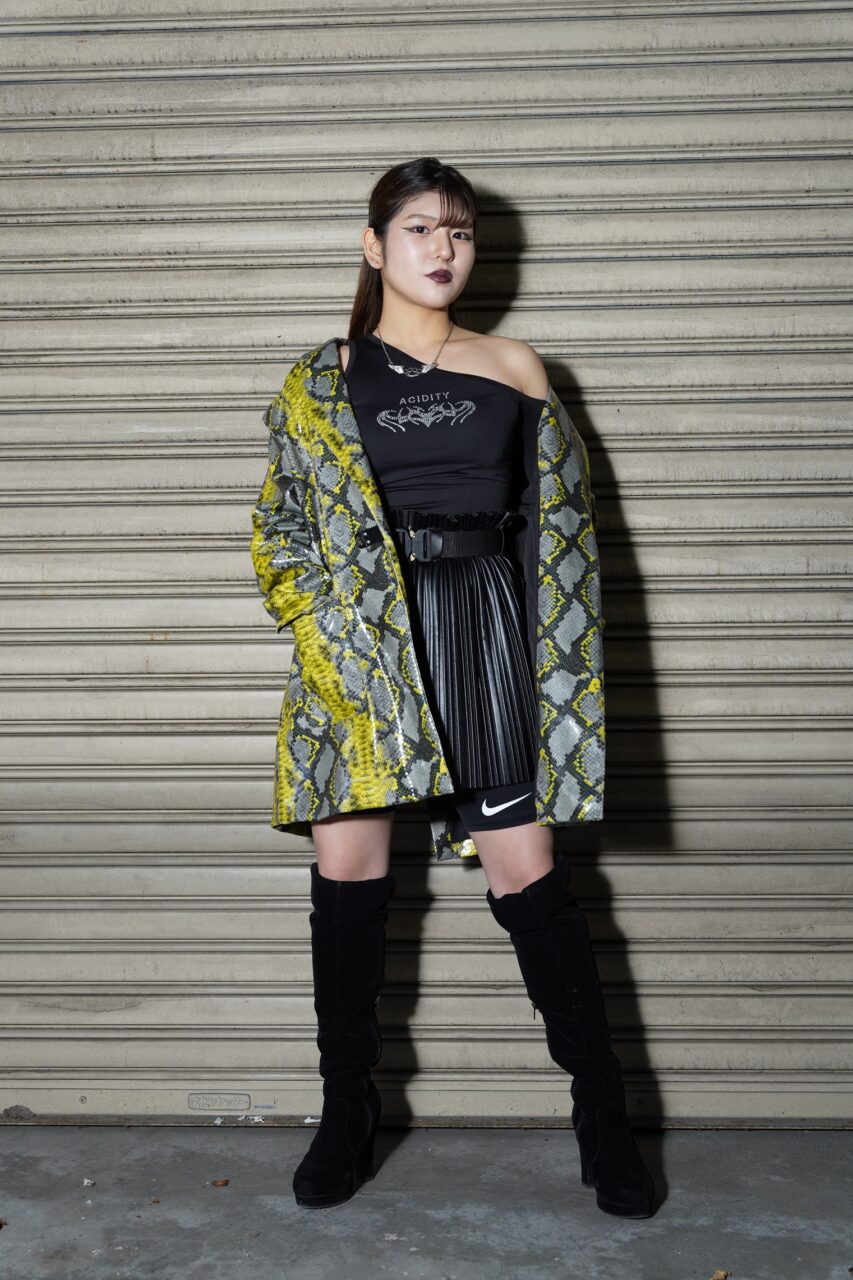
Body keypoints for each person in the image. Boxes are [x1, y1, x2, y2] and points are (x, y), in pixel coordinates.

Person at [249, 157, 655, 1218]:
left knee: (530, 880)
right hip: (363, 648)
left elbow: (561, 534)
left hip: (484, 629)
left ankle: (605, 1118)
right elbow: (280, 528)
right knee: (349, 883)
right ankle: (346, 1113)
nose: (442, 248)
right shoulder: (319, 379)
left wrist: (550, 673)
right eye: (420, 228)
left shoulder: (513, 365)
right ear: (373, 245)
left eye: (460, 231)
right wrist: (326, 635)